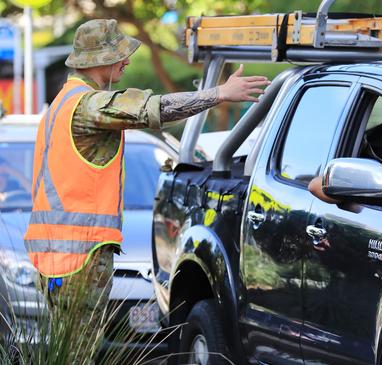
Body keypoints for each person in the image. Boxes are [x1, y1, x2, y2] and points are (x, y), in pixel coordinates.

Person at [22, 19, 269, 362]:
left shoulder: (62, 104)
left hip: (57, 255)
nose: (126, 61)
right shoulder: (88, 106)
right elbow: (155, 109)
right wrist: (219, 94)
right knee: (80, 355)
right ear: (98, 60)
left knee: (69, 354)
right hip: (80, 257)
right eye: (119, 55)